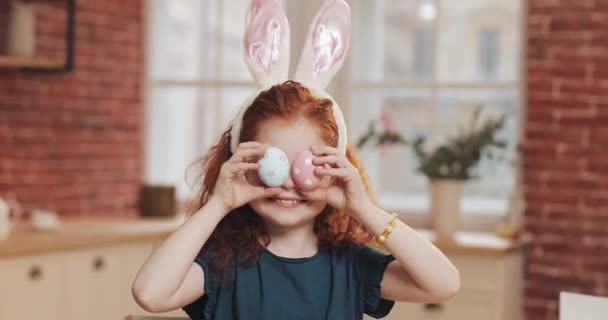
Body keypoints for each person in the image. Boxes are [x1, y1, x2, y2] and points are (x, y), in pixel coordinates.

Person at [132, 1, 459, 319]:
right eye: (272, 163)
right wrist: (219, 203)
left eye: (308, 165)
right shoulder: (223, 263)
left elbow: (444, 284)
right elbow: (150, 294)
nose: (288, 181)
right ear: (239, 162)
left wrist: (364, 209)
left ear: (335, 169)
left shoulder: (351, 265)